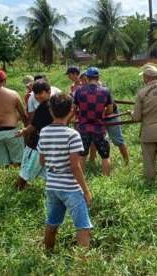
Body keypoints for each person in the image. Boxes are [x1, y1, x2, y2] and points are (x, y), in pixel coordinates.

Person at [38, 93, 93, 250]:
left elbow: (41, 161)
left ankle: (48, 253)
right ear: (72, 110)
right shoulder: (72, 135)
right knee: (83, 227)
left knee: (52, 222)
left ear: (51, 111)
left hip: (52, 185)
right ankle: (82, 267)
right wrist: (86, 191)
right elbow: (75, 167)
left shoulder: (44, 132)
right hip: (70, 188)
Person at [73, 67, 113, 176]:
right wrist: (102, 112)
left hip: (83, 128)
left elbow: (74, 108)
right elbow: (110, 109)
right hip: (99, 128)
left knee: (82, 155)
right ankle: (106, 181)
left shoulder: (79, 91)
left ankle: (80, 180)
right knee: (105, 156)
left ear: (87, 77)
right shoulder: (105, 91)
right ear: (98, 77)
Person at [14, 80, 53, 190]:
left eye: (40, 93)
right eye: (35, 93)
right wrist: (25, 131)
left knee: (25, 173)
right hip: (48, 145)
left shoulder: (44, 107)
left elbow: (34, 126)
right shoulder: (52, 104)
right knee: (49, 174)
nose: (37, 96)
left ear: (49, 91)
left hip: (37, 146)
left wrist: (24, 131)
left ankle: (17, 191)